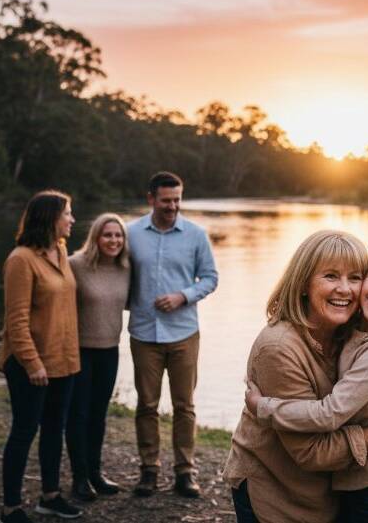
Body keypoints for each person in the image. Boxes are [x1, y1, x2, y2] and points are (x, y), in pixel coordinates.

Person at [223, 231, 368, 523]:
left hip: (334, 490)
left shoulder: (350, 328)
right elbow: (311, 453)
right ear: (304, 282)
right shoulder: (279, 347)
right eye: (331, 276)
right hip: (279, 491)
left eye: (355, 277)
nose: (344, 289)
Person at [127, 171, 219, 498]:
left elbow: (210, 278)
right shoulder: (131, 233)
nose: (173, 206)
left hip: (184, 334)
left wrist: (183, 296)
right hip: (143, 334)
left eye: (177, 199)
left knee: (185, 406)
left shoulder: (196, 235)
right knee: (147, 405)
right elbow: (115, 274)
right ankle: (149, 470)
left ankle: (185, 472)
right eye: (166, 200)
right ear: (151, 199)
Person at [0, 190, 81, 523]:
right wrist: (32, 363)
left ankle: (50, 496)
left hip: (63, 362)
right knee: (23, 431)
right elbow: (15, 320)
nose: (72, 219)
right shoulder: (21, 259)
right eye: (68, 214)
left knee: (53, 430)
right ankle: (11, 507)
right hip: (30, 365)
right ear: (50, 218)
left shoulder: (60, 251)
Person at [65, 213, 130, 501]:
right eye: (108, 235)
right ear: (95, 237)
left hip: (110, 350)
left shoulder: (125, 267)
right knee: (78, 415)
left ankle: (95, 473)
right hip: (80, 351)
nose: (114, 240)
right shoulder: (75, 265)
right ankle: (79, 479)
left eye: (118, 235)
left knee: (98, 415)